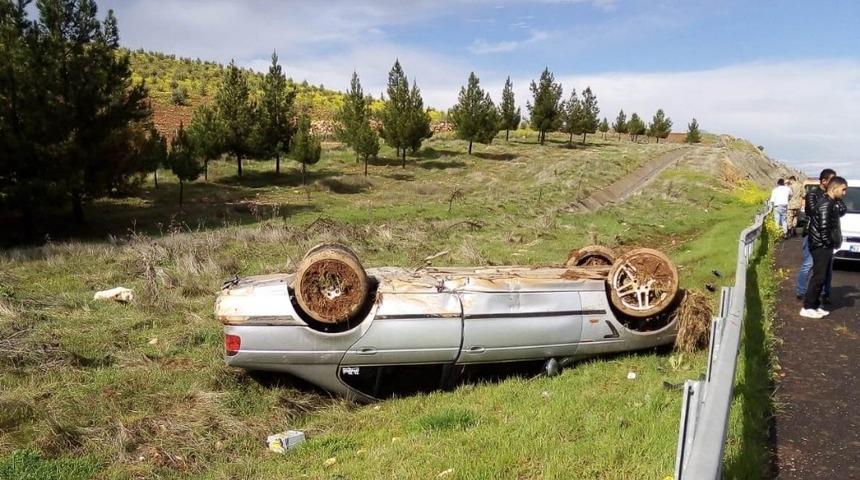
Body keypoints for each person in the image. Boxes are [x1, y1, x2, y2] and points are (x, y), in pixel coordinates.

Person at [800, 177, 848, 318]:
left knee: (822, 276)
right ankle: (808, 306)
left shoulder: (831, 202)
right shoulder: (825, 204)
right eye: (843, 189)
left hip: (824, 245)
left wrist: (838, 200)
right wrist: (829, 243)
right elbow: (824, 228)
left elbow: (842, 211)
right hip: (821, 245)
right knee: (819, 277)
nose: (845, 193)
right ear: (834, 189)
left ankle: (814, 305)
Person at [796, 168, 836, 301]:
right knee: (809, 263)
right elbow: (812, 212)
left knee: (828, 266)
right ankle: (801, 291)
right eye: (832, 180)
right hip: (812, 234)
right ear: (824, 181)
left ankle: (825, 293)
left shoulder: (833, 196)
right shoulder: (813, 195)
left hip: (827, 235)